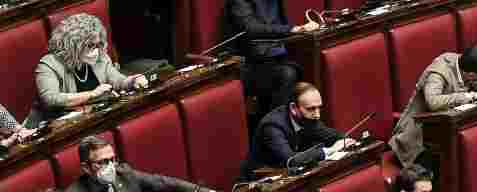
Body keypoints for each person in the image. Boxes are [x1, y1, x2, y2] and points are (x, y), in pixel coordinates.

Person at [225, 0, 320, 119]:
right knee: (287, 74)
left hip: (277, 58)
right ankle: (275, 128)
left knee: (315, 62)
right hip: (251, 64)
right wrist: (293, 29)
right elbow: (251, 29)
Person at [390, 45, 477, 170]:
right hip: (419, 142)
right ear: (470, 75)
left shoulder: (467, 64)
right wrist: (469, 95)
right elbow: (433, 102)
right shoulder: (439, 71)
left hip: (449, 131)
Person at [27, 13, 149, 125]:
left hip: (92, 119)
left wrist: (133, 81)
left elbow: (118, 81)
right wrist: (92, 94)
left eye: (98, 44)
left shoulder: (100, 57)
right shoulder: (49, 64)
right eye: (90, 46)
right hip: (56, 124)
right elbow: (51, 99)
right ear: (73, 45)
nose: (96, 51)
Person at [240, 82, 355, 181]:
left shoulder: (309, 119)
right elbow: (291, 161)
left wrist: (346, 141)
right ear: (293, 108)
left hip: (290, 176)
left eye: (319, 107)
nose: (317, 115)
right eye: (311, 109)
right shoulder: (272, 126)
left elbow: (333, 135)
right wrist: (330, 150)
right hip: (262, 180)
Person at [68, 134, 216, 192]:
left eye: (112, 160)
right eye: (102, 162)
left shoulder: (123, 172)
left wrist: (204, 191)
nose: (111, 167)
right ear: (86, 168)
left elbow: (162, 182)